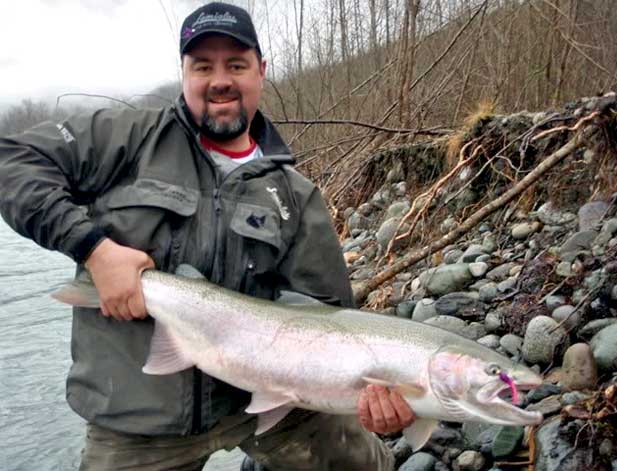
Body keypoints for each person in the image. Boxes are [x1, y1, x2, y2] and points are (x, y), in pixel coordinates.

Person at [0, 3, 416, 470]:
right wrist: (92, 249)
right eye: (203, 66)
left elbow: (332, 319)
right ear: (183, 73)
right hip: (139, 416)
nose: (220, 80)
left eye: (236, 65)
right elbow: (10, 162)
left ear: (261, 71)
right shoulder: (124, 138)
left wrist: (368, 397)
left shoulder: (296, 196)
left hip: (272, 401)